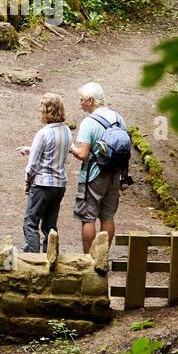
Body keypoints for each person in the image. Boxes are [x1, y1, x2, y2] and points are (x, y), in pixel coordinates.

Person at [68, 82, 128, 252]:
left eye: (82, 100)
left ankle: (89, 260)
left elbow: (83, 154)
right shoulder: (118, 118)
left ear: (90, 101)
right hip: (114, 175)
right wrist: (124, 177)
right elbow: (124, 150)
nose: (80, 103)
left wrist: (72, 148)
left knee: (88, 217)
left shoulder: (88, 122)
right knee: (108, 217)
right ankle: (102, 257)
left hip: (93, 176)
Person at [19, 93, 72, 252]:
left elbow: (32, 165)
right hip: (59, 185)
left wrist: (28, 183)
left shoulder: (43, 133)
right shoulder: (67, 131)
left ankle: (32, 259)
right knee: (50, 225)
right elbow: (57, 151)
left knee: (31, 222)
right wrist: (32, 149)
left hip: (42, 185)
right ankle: (51, 257)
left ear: (47, 111)